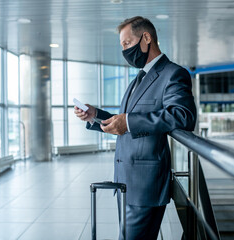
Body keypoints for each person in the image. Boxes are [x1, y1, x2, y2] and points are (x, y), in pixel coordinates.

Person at [74, 16, 196, 240]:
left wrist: (128, 122)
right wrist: (95, 116)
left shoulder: (173, 74)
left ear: (146, 37)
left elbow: (183, 115)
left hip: (145, 185)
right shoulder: (137, 80)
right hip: (127, 182)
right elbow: (125, 122)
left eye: (127, 43)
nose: (124, 51)